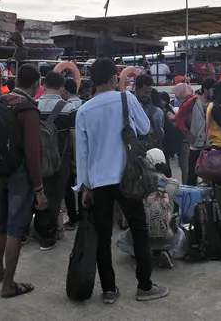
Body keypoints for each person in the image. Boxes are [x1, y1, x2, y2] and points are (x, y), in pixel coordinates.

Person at [75, 58, 169, 303]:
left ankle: (108, 290)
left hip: (98, 181)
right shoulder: (126, 99)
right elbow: (144, 127)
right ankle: (145, 286)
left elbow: (81, 153)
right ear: (113, 78)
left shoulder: (84, 110)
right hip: (127, 177)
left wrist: (84, 185)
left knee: (103, 234)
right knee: (139, 230)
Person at [0, 64, 45, 298]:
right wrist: (39, 187)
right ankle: (8, 284)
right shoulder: (28, 109)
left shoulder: (1, 101)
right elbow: (32, 152)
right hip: (19, 174)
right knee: (15, 230)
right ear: (34, 84)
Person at [34, 71, 77, 249]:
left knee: (39, 194)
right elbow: (73, 136)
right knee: (55, 197)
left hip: (36, 158)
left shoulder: (33, 105)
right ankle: (47, 236)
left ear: (43, 84)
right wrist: (76, 161)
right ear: (62, 88)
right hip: (60, 160)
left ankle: (37, 231)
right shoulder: (68, 108)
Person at [175, 78, 215, 186]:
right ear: (206, 90)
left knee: (211, 177)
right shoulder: (192, 102)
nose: (214, 92)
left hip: (211, 145)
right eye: (212, 90)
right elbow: (178, 118)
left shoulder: (216, 104)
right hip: (196, 145)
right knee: (192, 176)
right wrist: (187, 133)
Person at [134, 75, 164, 151]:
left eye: (149, 92)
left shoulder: (158, 112)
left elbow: (160, 134)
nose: (147, 95)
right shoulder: (128, 107)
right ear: (136, 88)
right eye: (145, 92)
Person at [171, 83, 194, 183]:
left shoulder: (187, 104)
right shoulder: (191, 101)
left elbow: (180, 119)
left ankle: (187, 184)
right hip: (187, 135)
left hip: (186, 137)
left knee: (184, 163)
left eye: (177, 93)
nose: (176, 96)